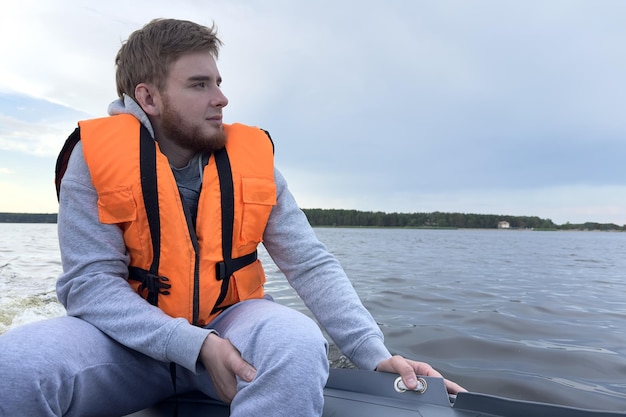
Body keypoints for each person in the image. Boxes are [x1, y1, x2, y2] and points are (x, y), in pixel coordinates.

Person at [0, 18, 464, 416]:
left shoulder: (251, 159)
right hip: (126, 347)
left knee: (297, 342)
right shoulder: (92, 158)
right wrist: (193, 344)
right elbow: (90, 286)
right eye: (199, 84)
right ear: (149, 97)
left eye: (218, 82)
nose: (221, 98)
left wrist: (373, 355)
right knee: (14, 366)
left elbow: (309, 262)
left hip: (231, 324)